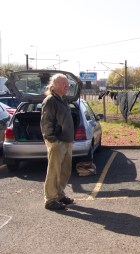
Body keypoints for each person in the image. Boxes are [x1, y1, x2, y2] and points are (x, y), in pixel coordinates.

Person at [41, 74, 75, 211]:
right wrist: (52, 140)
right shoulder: (50, 100)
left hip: (66, 140)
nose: (67, 86)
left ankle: (59, 195)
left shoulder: (62, 99)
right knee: (54, 171)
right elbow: (46, 122)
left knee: (64, 171)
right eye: (63, 84)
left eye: (68, 84)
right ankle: (50, 200)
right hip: (57, 141)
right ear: (54, 85)